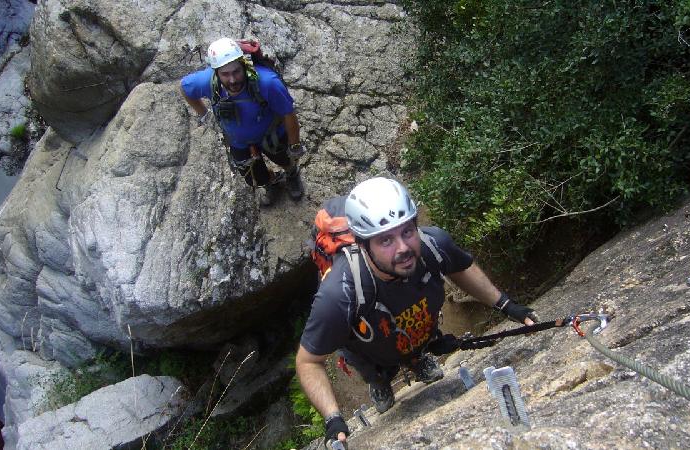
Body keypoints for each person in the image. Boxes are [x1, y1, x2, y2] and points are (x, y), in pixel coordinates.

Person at [296, 177, 539, 447]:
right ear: (363, 245)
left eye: (407, 232)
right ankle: (380, 383)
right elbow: (308, 361)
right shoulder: (339, 294)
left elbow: (460, 267)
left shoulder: (433, 244)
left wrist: (505, 304)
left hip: (418, 326)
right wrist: (333, 418)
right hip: (368, 348)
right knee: (376, 371)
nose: (403, 248)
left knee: (418, 338)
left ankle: (417, 359)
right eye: (386, 240)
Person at [180, 37, 305, 206]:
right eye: (225, 74)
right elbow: (185, 88)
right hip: (238, 141)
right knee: (254, 176)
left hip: (271, 133)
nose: (232, 80)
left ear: (243, 65)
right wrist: (204, 114)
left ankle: (291, 173)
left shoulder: (267, 83)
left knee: (285, 159)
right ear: (216, 72)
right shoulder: (207, 82)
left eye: (236, 72)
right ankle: (270, 182)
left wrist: (295, 145)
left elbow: (288, 114)